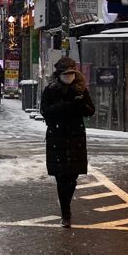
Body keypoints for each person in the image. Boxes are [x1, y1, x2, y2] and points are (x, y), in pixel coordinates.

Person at [40, 57, 95, 228]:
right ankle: (66, 211)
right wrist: (67, 106)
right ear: (59, 74)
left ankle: (66, 205)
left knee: (72, 176)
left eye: (72, 73)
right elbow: (45, 111)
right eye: (66, 74)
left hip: (75, 137)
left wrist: (80, 104)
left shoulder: (80, 89)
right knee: (61, 176)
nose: (69, 76)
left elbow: (90, 110)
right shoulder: (50, 90)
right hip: (57, 137)